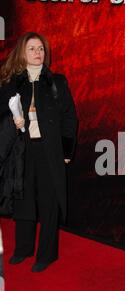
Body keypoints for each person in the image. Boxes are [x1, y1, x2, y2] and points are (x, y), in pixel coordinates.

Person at [0, 32, 78, 272]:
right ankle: (23, 249)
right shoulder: (11, 82)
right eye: (32, 48)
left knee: (48, 203)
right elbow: (2, 115)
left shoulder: (58, 82)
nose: (38, 53)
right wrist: (11, 123)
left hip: (49, 151)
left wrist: (66, 151)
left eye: (41, 49)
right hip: (22, 151)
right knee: (23, 201)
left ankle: (47, 254)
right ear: (23, 52)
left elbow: (69, 118)